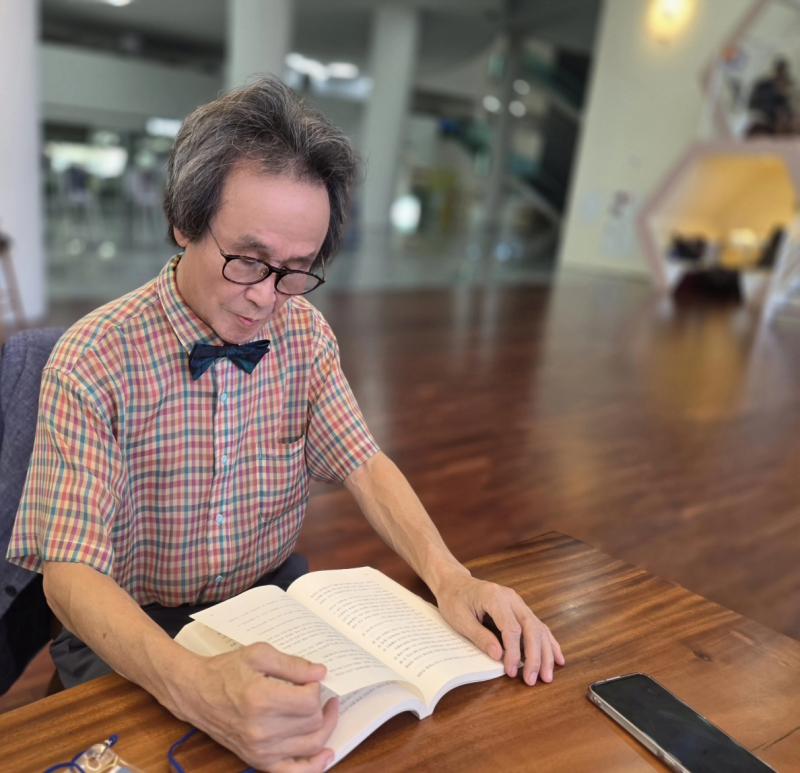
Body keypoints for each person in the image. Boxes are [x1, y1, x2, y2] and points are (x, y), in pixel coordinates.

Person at [7, 78, 564, 772]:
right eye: (248, 261)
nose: (268, 299)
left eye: (297, 270)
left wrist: (452, 579)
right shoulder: (93, 359)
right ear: (184, 222)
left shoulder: (304, 333)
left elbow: (364, 462)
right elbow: (69, 575)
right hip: (132, 624)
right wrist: (192, 685)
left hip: (268, 604)